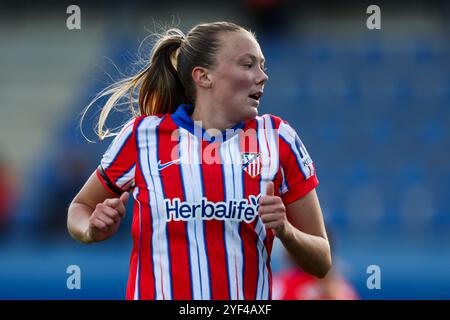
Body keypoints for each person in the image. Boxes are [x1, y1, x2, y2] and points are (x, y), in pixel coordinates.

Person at [67, 21, 331, 300]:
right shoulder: (142, 136)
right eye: (248, 64)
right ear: (203, 76)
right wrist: (90, 230)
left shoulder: (278, 139)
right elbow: (81, 207)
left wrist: (287, 232)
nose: (262, 76)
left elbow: (322, 261)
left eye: (262, 66)